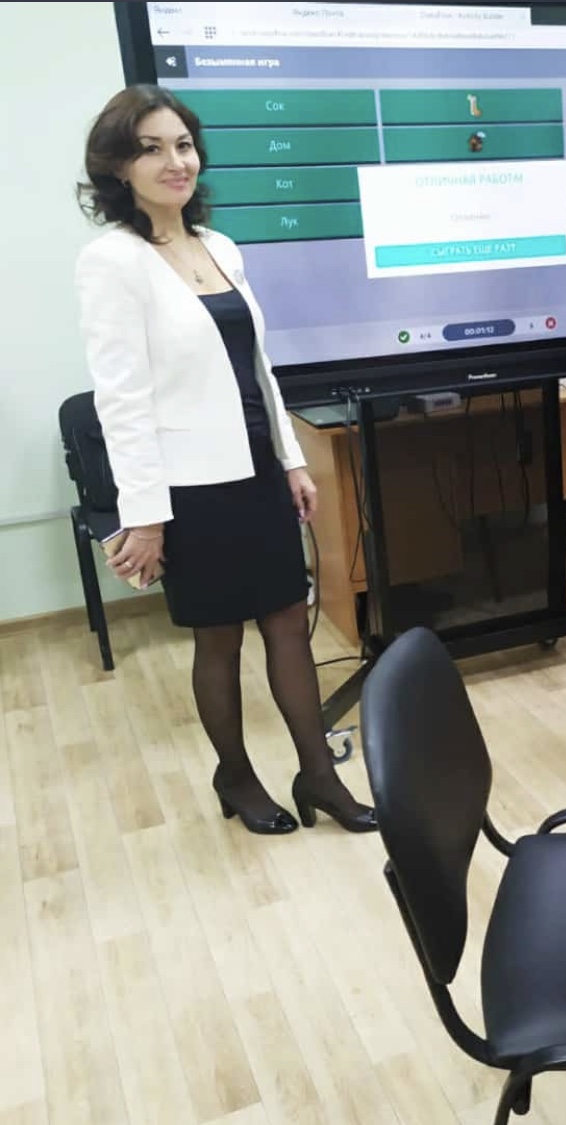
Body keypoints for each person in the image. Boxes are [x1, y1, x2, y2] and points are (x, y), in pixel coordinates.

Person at [74, 85, 377, 835]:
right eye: (151, 148)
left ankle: (318, 775)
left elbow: (257, 368)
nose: (175, 161)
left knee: (289, 621)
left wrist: (291, 460)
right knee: (220, 636)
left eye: (183, 144)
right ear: (118, 167)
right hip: (188, 488)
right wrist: (145, 517)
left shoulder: (219, 245)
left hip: (256, 469)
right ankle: (235, 775)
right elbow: (122, 400)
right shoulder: (111, 261)